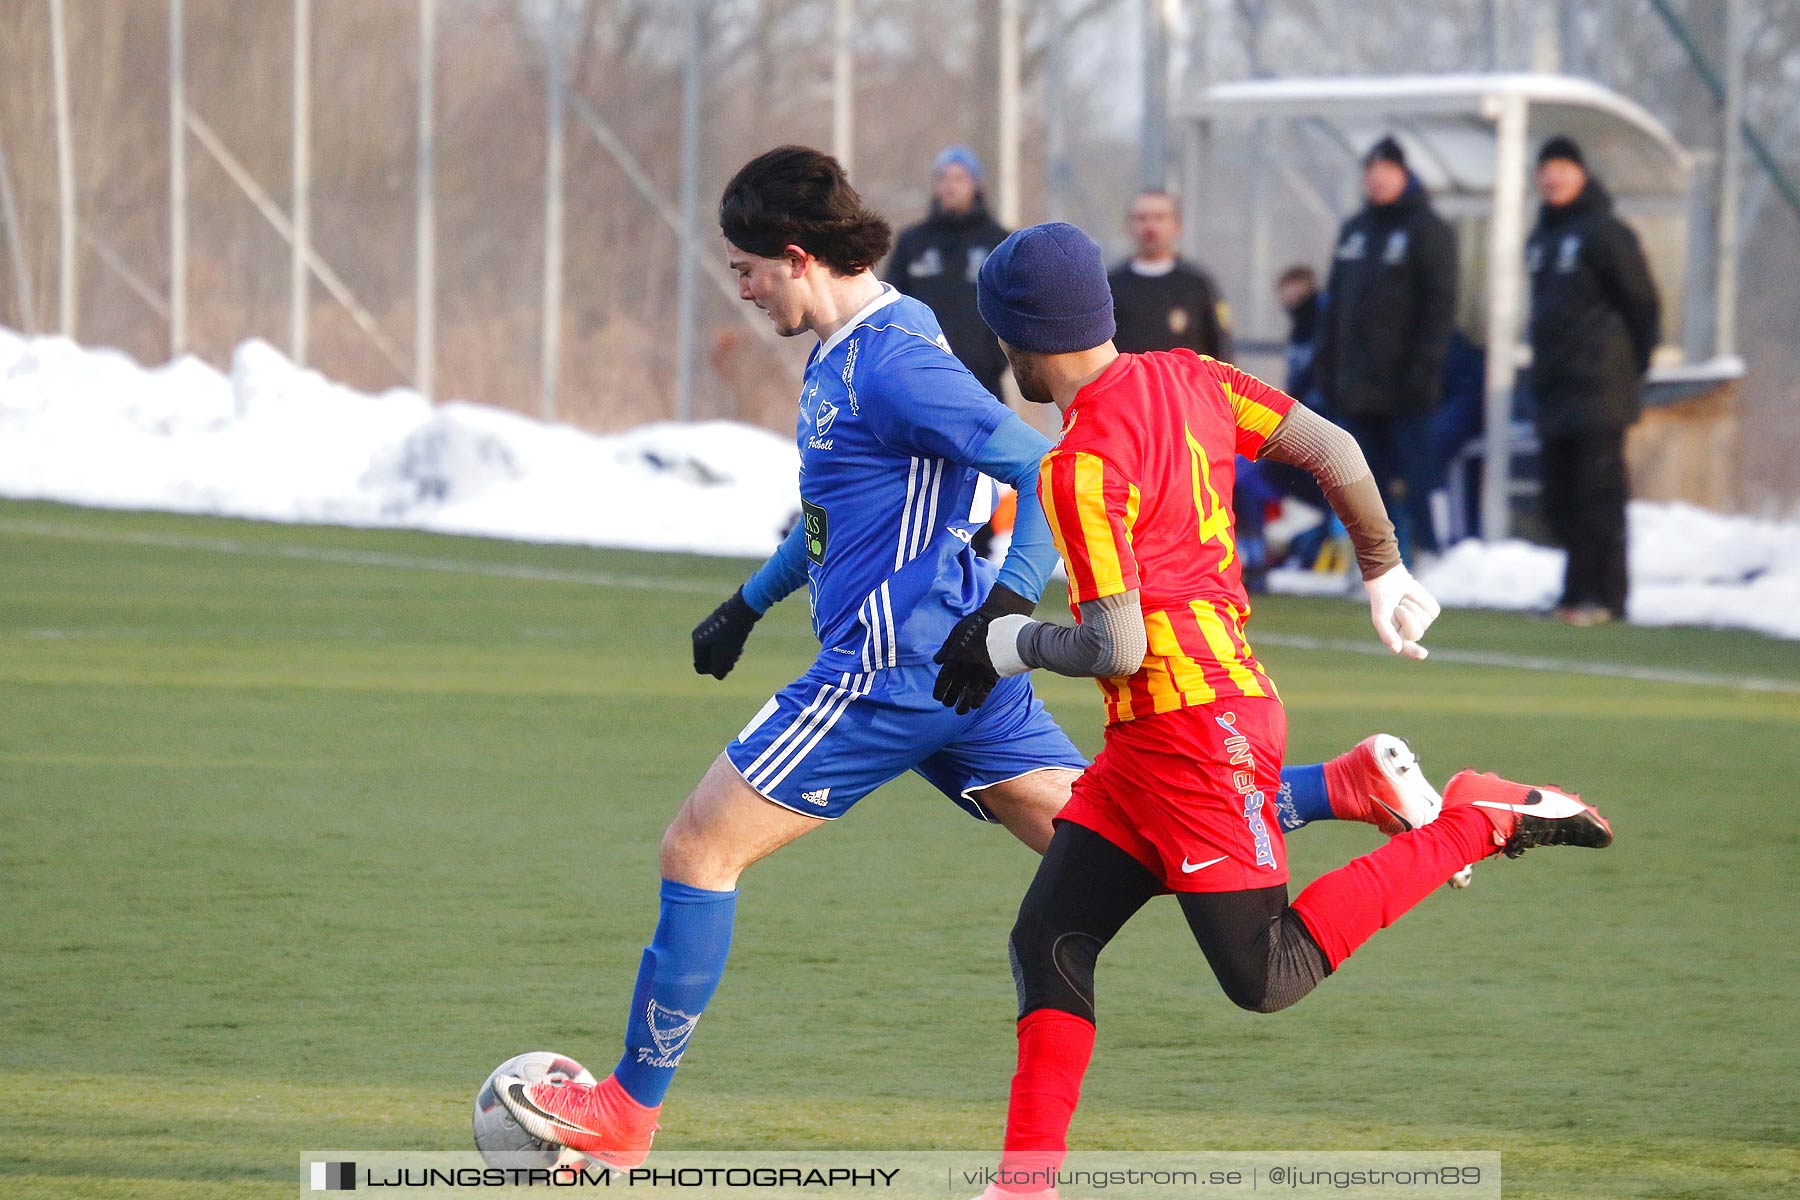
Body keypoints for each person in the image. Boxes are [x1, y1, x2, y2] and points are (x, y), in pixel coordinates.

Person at [493, 148, 1457, 1166]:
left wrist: (1007, 607)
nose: (740, 290)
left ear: (794, 256)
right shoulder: (850, 351)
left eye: (746, 270)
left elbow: (1049, 469)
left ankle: (626, 1119)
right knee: (1134, 848)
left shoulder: (897, 360)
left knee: (697, 849)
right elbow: (833, 515)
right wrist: (749, 602)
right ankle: (1339, 787)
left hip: (888, 672)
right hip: (953, 672)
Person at [938, 223, 1612, 1198]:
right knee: (1049, 939)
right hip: (1159, 734)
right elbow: (1332, 447)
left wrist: (1005, 642)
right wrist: (1381, 565)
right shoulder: (1189, 375)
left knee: (1269, 974)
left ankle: (1480, 817)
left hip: (1196, 733)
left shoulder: (1078, 465)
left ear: (1020, 341)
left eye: (1003, 343)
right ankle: (1025, 1184)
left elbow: (1113, 647)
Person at [1526, 135, 1661, 627]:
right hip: (1555, 390)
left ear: (1582, 174)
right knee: (1561, 498)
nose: (1552, 177)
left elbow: (1642, 304)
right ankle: (1574, 592)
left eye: (1562, 166)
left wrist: (1630, 367)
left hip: (1600, 387)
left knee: (1598, 496)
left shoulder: (1605, 233)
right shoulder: (1541, 238)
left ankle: (1607, 597)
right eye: (1545, 168)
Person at [1316, 136, 1458, 563]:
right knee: (1359, 479)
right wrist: (1329, 368)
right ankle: (1369, 562)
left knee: (1419, 474)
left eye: (1387, 173)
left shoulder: (1428, 230)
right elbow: (1335, 305)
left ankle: (1436, 554)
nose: (1377, 181)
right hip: (1357, 388)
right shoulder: (1355, 231)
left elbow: (1439, 307)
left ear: (1404, 175)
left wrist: (1424, 368)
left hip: (1407, 386)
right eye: (1370, 173)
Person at [886, 145, 1012, 398]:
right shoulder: (913, 242)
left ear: (975, 184)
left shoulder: (999, 242)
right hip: (920, 379)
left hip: (982, 382)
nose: (950, 186)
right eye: (943, 177)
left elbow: (1014, 307)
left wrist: (993, 359)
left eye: (959, 178)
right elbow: (890, 303)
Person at [1106, 190, 1231, 360]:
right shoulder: (1110, 286)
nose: (1150, 227)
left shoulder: (1198, 284)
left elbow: (1220, 346)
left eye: (1159, 217)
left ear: (1177, 226)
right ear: (1128, 226)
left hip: (1185, 386)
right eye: (1142, 218)